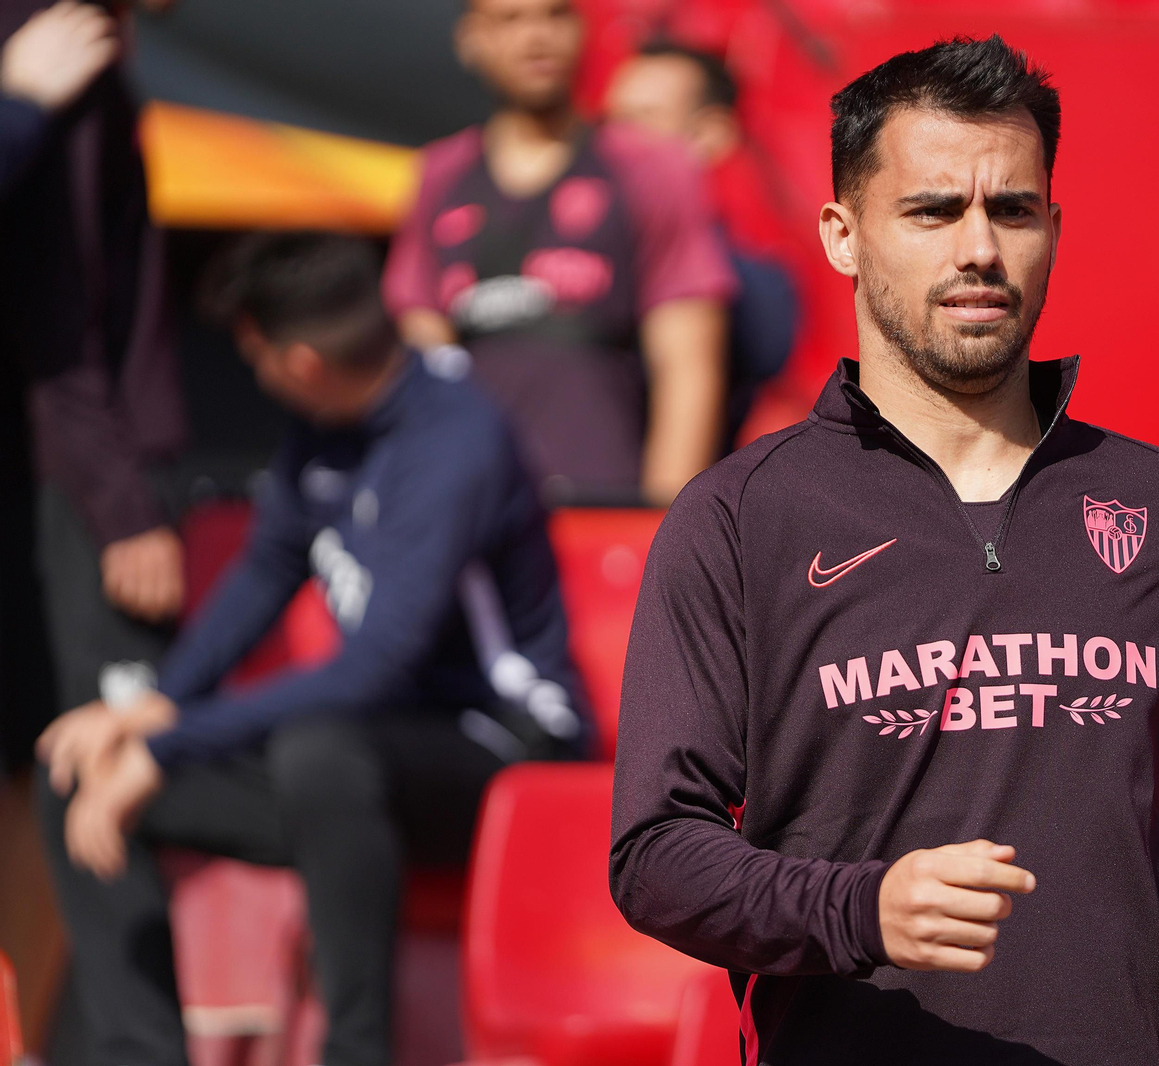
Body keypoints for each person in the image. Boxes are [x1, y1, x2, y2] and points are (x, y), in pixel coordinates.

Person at [609, 36, 1159, 1065]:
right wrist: (861, 909)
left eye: (1012, 211)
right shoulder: (738, 519)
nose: (979, 248)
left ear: (1053, 230)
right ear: (843, 236)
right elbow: (657, 856)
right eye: (932, 211)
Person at [35, 232, 589, 1066]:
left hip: (506, 747)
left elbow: (374, 668)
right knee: (78, 766)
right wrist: (153, 708)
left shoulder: (454, 442)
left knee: (320, 753)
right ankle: (138, 1054)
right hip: (366, 763)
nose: (256, 376)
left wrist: (169, 744)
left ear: (301, 363)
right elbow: (267, 568)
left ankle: (354, 1054)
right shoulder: (326, 424)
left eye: (256, 357)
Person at [383, 0, 738, 507]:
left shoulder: (648, 166)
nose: (536, 37)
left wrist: (667, 523)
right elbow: (422, 356)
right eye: (510, 19)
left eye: (554, 15)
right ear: (471, 39)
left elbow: (687, 366)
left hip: (601, 502)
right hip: (467, 506)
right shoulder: (440, 174)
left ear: (582, 29)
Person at [0, 0, 186, 769]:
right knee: (92, 761)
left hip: (66, 467)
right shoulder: (52, 47)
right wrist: (123, 507)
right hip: (80, 471)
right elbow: (58, 316)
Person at [605, 40, 799, 453]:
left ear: (711, 135)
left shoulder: (753, 290)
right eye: (609, 122)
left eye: (642, 120)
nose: (615, 143)